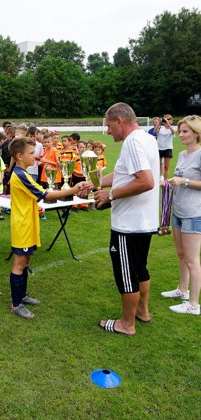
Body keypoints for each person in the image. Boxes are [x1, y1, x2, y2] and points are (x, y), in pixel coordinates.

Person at [87, 102, 160, 335]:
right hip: (144, 221)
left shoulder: (132, 142)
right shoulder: (147, 138)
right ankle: (142, 312)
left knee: (127, 276)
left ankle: (126, 325)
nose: (108, 131)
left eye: (109, 125)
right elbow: (123, 174)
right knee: (140, 270)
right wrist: (95, 182)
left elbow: (146, 181)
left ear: (119, 121)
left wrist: (109, 195)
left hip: (128, 225)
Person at [8, 137, 83, 319]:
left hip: (29, 223)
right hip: (22, 226)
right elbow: (46, 195)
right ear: (19, 156)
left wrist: (35, 206)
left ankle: (22, 295)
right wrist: (73, 190)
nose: (35, 156)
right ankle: (16, 304)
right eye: (31, 153)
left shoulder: (23, 173)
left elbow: (31, 197)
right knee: (19, 263)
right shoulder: (19, 175)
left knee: (26, 261)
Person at [161, 115, 201, 315]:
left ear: (196, 133)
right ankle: (182, 290)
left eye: (185, 131)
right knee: (181, 254)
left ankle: (193, 304)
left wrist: (183, 181)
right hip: (178, 211)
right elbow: (178, 178)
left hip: (194, 213)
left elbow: (186, 181)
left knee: (193, 260)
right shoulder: (182, 154)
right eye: (180, 131)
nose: (181, 135)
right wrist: (168, 182)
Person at [155, 114, 175, 180]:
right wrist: (159, 123)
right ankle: (158, 179)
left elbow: (173, 132)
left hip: (167, 148)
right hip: (159, 148)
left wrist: (168, 123)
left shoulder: (171, 128)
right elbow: (155, 131)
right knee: (158, 165)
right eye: (166, 119)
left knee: (166, 166)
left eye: (169, 119)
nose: (167, 120)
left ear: (171, 120)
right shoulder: (161, 128)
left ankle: (166, 181)